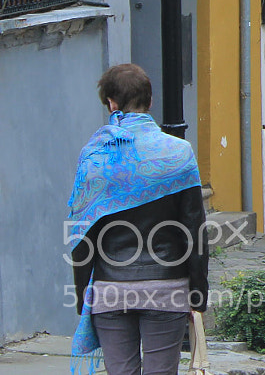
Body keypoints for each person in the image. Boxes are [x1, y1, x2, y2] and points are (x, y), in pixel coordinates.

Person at [67, 63, 208, 375]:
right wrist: (198, 294)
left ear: (112, 104)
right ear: (150, 101)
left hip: (110, 289)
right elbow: (195, 233)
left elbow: (81, 238)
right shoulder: (179, 153)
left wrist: (83, 297)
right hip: (167, 288)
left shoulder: (96, 159)